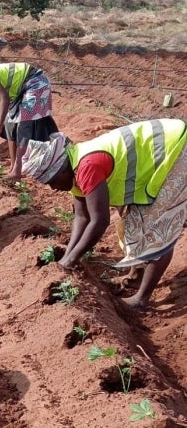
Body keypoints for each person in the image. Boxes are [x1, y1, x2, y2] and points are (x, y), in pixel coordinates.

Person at [21, 119, 187, 310]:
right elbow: (82, 217)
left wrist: (71, 260)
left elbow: (100, 221)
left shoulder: (86, 166)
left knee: (158, 231)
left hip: (174, 149)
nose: (53, 188)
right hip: (155, 157)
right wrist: (68, 256)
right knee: (132, 226)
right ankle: (136, 277)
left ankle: (141, 299)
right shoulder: (73, 166)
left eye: (52, 181)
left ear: (61, 169)